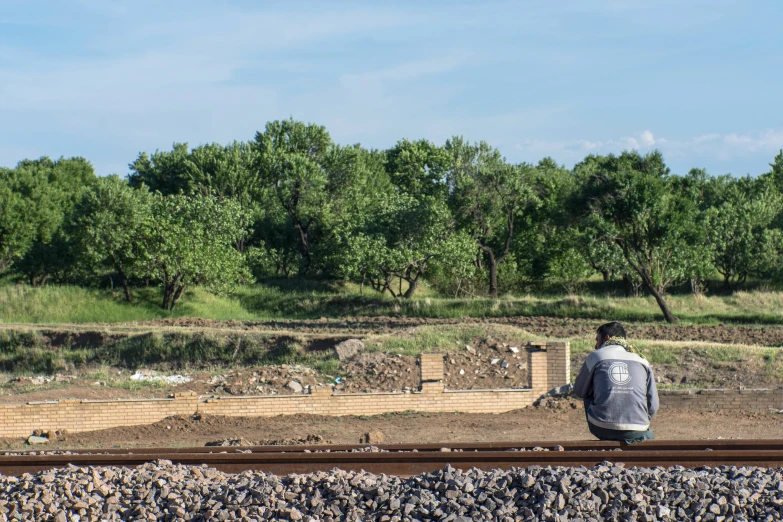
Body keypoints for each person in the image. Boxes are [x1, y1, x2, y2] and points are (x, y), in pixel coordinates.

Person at [572, 321, 658, 443]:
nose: (596, 346)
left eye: (597, 340)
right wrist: (640, 421)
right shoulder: (642, 361)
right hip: (638, 428)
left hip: (601, 427)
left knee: (587, 391)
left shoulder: (596, 356)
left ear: (607, 337)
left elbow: (579, 391)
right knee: (647, 435)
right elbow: (653, 404)